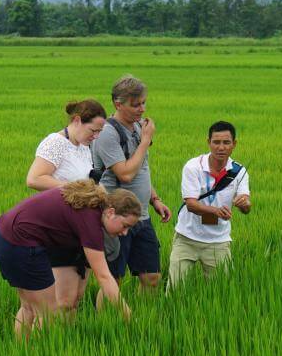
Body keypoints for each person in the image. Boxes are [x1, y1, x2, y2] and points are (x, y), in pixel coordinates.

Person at [0, 180, 140, 338]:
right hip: (21, 244)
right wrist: (129, 318)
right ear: (110, 212)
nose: (125, 233)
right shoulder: (90, 219)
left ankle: (23, 355)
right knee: (49, 313)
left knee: (29, 307)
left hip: (3, 237)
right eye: (125, 226)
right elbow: (104, 277)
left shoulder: (90, 202)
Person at [91, 74, 172, 298]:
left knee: (151, 277)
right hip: (117, 217)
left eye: (144, 103)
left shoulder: (137, 127)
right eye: (135, 105)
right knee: (112, 280)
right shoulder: (108, 133)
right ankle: (107, 325)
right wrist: (145, 141)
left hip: (141, 215)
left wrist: (155, 199)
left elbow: (141, 169)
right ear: (119, 104)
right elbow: (125, 174)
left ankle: (143, 322)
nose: (142, 109)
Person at [25, 99, 108, 314]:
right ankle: (35, 345)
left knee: (74, 299)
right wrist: (76, 189)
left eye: (99, 132)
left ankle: (67, 341)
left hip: (80, 227)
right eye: (93, 130)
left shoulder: (83, 146)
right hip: (56, 228)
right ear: (77, 120)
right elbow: (34, 179)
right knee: (55, 302)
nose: (95, 136)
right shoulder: (55, 143)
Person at [167, 121, 251, 289]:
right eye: (216, 142)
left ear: (234, 144)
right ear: (208, 142)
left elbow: (246, 206)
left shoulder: (239, 172)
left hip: (218, 240)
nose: (221, 147)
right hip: (187, 238)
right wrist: (216, 211)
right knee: (175, 290)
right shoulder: (193, 167)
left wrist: (244, 204)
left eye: (226, 142)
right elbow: (191, 204)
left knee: (222, 292)